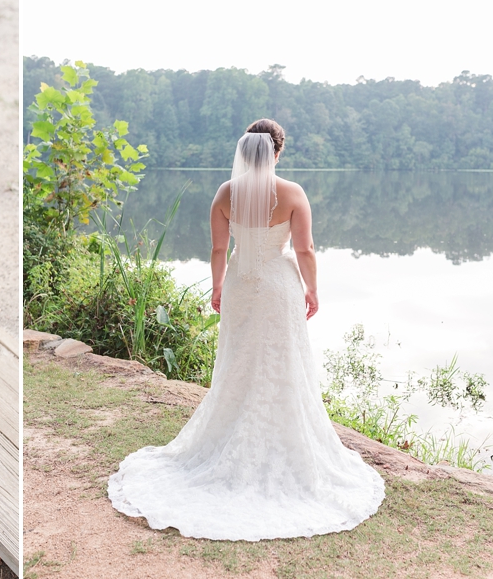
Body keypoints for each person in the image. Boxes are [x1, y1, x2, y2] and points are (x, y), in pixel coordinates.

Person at [108, 119, 384, 541]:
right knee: (283, 361)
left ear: (244, 152)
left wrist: (218, 286)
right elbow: (305, 249)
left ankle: (231, 436)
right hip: (278, 286)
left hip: (240, 284)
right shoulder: (292, 193)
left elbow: (220, 248)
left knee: (238, 361)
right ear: (277, 152)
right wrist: (313, 290)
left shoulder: (225, 193)